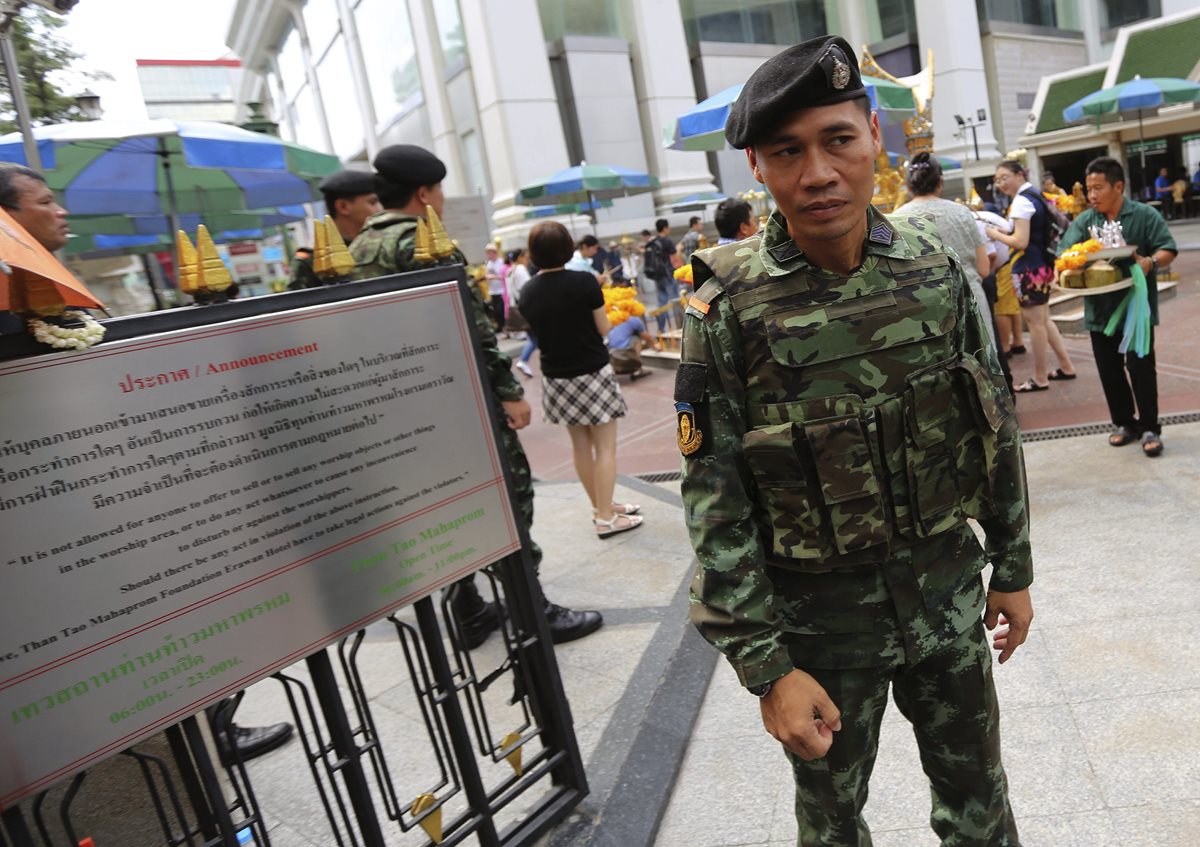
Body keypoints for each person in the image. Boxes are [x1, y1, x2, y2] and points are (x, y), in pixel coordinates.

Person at [679, 36, 1031, 844]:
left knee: (981, 807)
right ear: (758, 169)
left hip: (947, 605)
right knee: (832, 825)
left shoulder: (936, 270)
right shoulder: (726, 309)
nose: (818, 173)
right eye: (786, 151)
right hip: (821, 635)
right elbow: (716, 501)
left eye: (838, 139)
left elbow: (992, 424)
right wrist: (767, 669)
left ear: (875, 134)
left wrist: (1012, 568)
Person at [0, 162, 295, 763]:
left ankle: (205, 726)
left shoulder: (48, 296)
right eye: (46, 202)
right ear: (9, 219)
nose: (61, 212)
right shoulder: (13, 308)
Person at [349, 145, 602, 642]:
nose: (441, 200)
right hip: (453, 402)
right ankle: (532, 610)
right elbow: (471, 326)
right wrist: (508, 391)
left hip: (396, 411)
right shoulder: (427, 243)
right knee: (509, 497)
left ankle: (467, 609)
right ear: (424, 193)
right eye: (439, 190)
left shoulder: (355, 249)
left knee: (438, 504)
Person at [518, 221, 642, 540]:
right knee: (605, 447)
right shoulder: (584, 281)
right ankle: (604, 517)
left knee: (581, 448)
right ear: (567, 247)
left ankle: (602, 505)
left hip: (557, 376)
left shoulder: (527, 291)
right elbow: (603, 329)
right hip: (592, 371)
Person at [1059, 156, 1176, 457]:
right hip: (1100, 311)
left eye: (1098, 188)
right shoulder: (1086, 222)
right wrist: (1070, 266)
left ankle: (1150, 427)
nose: (1092, 195)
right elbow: (1065, 253)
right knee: (1110, 372)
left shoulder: (1143, 215)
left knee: (1141, 369)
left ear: (1119, 186)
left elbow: (1167, 248)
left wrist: (1151, 262)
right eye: (1089, 189)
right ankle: (1125, 423)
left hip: (1136, 310)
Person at [986, 159, 1076, 392]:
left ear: (1019, 175)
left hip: (1028, 268)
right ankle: (1066, 366)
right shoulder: (1033, 194)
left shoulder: (1021, 201)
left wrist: (994, 233)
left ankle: (1040, 377)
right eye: (997, 180)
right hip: (1041, 265)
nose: (1001, 184)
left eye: (1004, 177)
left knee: (1036, 324)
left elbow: (1020, 241)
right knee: (1043, 320)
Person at [897, 152, 995, 350]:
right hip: (971, 301)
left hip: (926, 307)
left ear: (909, 184)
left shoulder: (898, 219)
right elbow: (984, 269)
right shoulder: (962, 212)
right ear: (940, 181)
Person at [318, 168, 382, 245]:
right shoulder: (324, 254)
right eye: (372, 202)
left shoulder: (380, 245)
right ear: (343, 207)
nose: (379, 209)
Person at [644, 218, 679, 332]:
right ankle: (680, 326)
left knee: (662, 302)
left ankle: (661, 328)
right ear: (665, 228)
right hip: (668, 274)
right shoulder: (666, 241)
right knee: (676, 300)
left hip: (658, 276)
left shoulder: (653, 241)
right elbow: (674, 257)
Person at [607, 312, 659, 379]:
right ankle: (637, 369)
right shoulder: (633, 319)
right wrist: (655, 347)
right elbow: (647, 337)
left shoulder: (611, 318)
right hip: (624, 355)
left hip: (611, 356)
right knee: (636, 337)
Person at [483, 243, 508, 331]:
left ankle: (506, 328)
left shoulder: (501, 262)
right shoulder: (488, 264)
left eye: (490, 252)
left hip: (501, 290)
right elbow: (486, 274)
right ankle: (501, 327)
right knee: (496, 311)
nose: (488, 255)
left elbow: (504, 276)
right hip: (493, 291)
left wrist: (494, 277)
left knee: (502, 310)